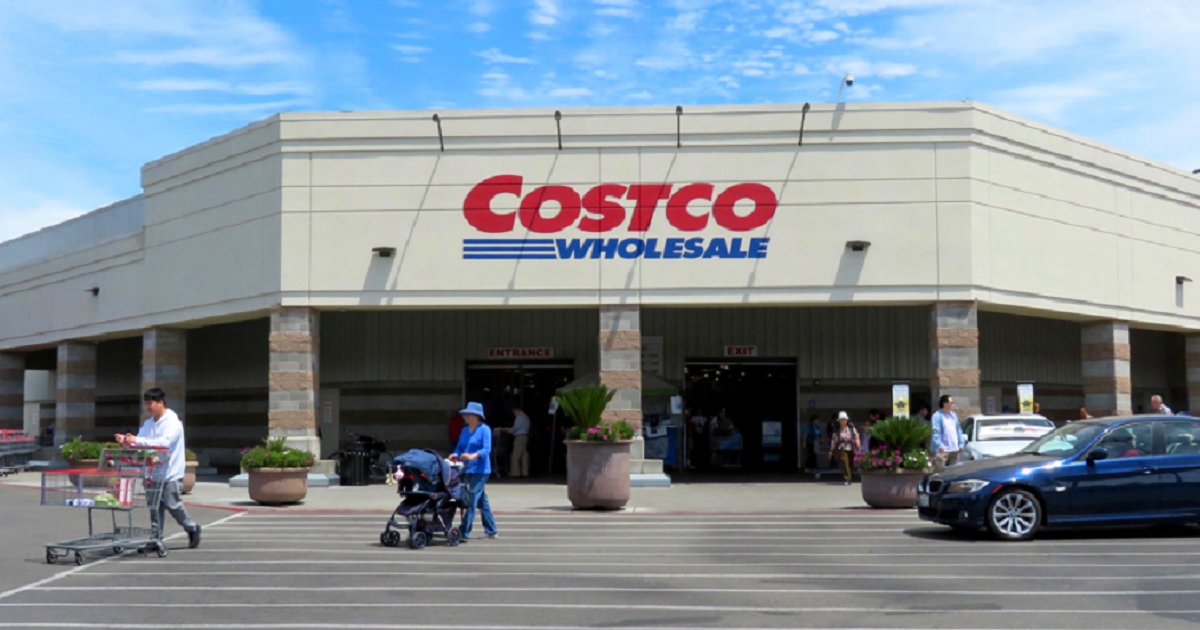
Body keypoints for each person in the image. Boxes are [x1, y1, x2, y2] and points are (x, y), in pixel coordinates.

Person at [114, 388, 201, 549]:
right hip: (151, 472)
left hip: (169, 472)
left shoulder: (172, 422)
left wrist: (137, 440)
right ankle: (155, 538)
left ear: (161, 403)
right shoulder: (148, 423)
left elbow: (164, 442)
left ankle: (192, 528)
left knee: (172, 504)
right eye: (146, 404)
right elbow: (140, 441)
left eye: (151, 403)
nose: (148, 407)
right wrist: (127, 441)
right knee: (154, 506)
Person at [449, 401, 498, 541]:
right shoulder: (464, 431)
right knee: (482, 500)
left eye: (468, 414)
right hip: (466, 469)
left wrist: (472, 455)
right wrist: (455, 454)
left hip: (481, 470)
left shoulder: (485, 429)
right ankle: (491, 529)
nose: (465, 417)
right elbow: (459, 447)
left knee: (471, 499)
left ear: (476, 416)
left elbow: (486, 450)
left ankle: (464, 531)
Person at [929, 394, 964, 471]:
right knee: (940, 474)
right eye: (951, 402)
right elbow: (935, 432)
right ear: (945, 404)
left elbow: (958, 430)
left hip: (954, 450)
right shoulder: (937, 416)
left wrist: (961, 443)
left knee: (953, 474)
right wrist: (939, 445)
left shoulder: (953, 416)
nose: (953, 404)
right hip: (942, 451)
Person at [828, 411, 859, 486]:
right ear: (839, 421)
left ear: (847, 420)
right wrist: (831, 451)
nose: (843, 421)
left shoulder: (852, 429)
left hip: (851, 448)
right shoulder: (837, 430)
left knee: (851, 463)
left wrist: (858, 446)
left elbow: (856, 437)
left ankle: (850, 478)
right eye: (841, 419)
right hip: (842, 448)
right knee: (845, 463)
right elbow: (834, 441)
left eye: (844, 419)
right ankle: (847, 479)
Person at [509, 406, 531, 478]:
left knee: (516, 455)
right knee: (524, 455)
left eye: (514, 411)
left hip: (519, 437)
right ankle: (525, 472)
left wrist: (506, 430)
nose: (514, 413)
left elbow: (515, 428)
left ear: (517, 410)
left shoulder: (519, 418)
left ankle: (516, 473)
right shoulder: (526, 417)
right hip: (525, 436)